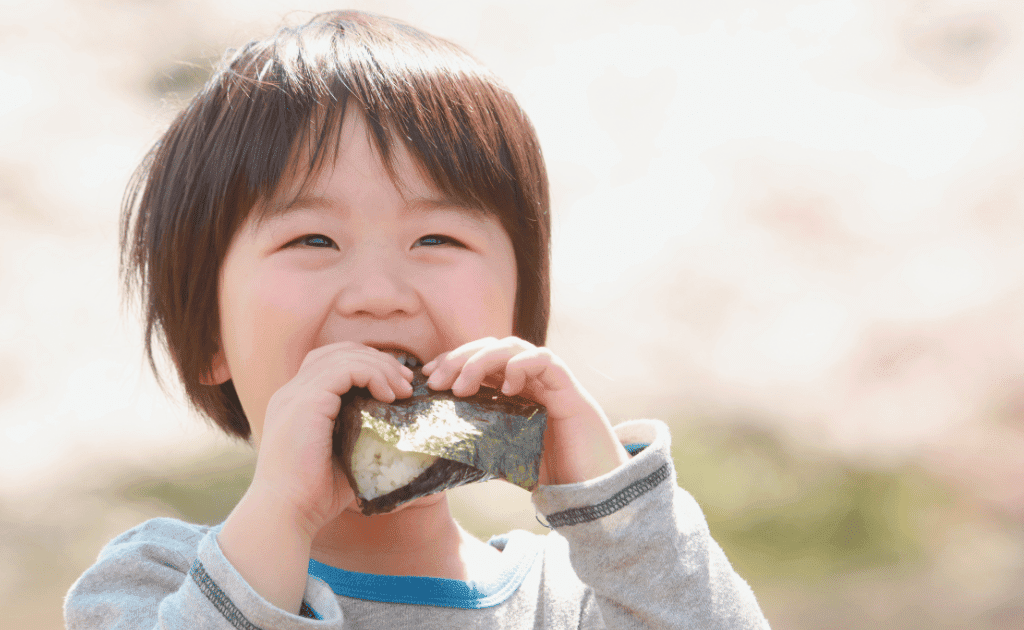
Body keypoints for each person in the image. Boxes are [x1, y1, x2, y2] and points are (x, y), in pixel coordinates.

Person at [65, 10, 769, 629]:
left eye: (437, 240)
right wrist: (281, 508)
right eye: (312, 240)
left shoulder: (585, 598)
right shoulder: (155, 586)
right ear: (209, 336)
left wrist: (614, 508)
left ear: (519, 316)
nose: (378, 294)